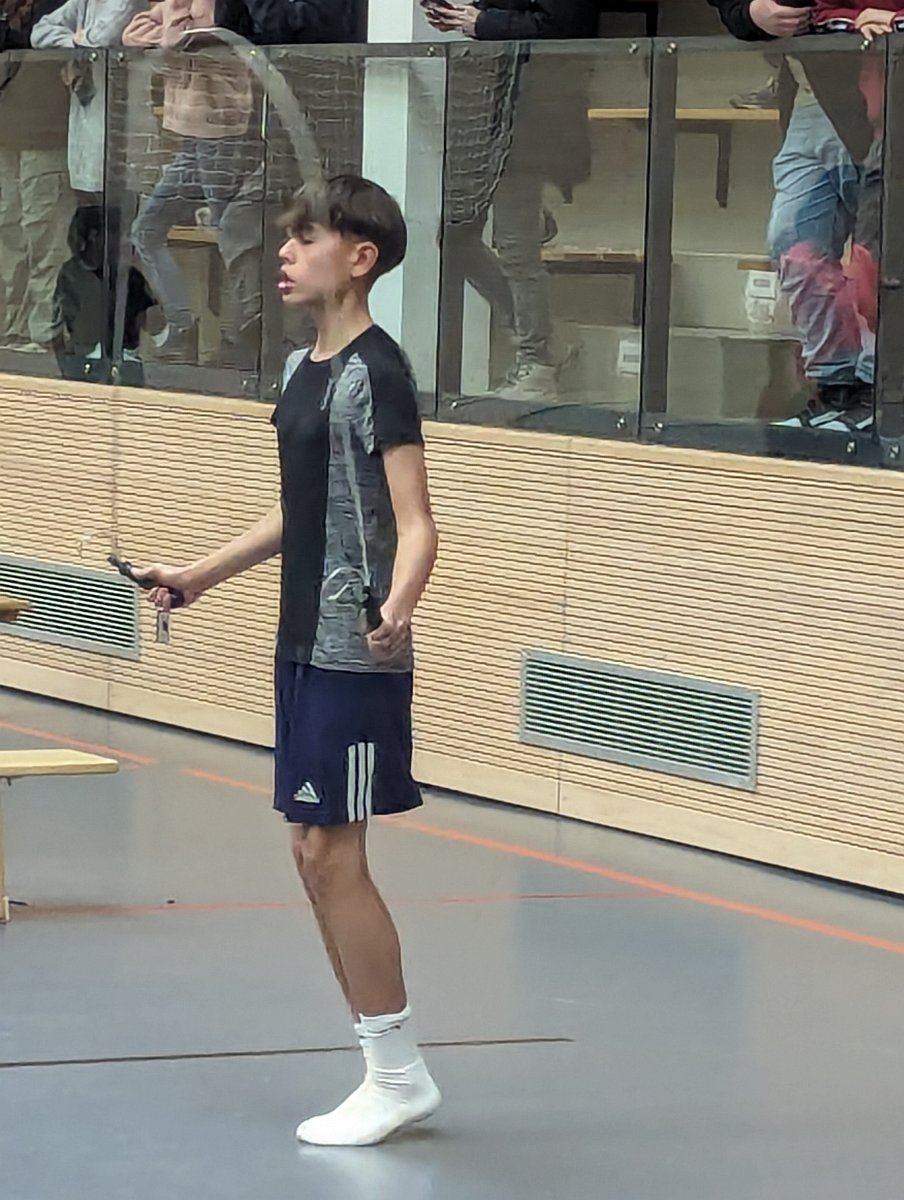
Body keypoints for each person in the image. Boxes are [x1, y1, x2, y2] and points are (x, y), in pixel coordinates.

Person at [135, 175, 442, 1147]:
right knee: (310, 853)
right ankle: (384, 1068)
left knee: (335, 855)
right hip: (301, 640)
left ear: (360, 257)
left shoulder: (377, 373)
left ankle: (398, 1077)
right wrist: (198, 576)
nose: (284, 251)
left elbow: (417, 523)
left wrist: (398, 607)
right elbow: (298, 510)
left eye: (305, 237)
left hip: (355, 650)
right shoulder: (304, 369)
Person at [710, 0, 880, 432]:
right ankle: (835, 388)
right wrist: (751, 12)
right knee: (794, 247)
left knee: (879, 256)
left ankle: (879, 392)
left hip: (880, 83)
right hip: (810, 94)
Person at [426, 0, 598, 401]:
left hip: (534, 114)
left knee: (515, 246)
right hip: (489, 110)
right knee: (455, 238)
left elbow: (566, 23)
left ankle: (537, 360)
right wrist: (463, 14)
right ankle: (541, 338)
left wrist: (483, 21)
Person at [123, 0, 262, 366]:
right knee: (146, 230)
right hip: (189, 136)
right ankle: (183, 328)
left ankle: (244, 339)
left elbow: (203, 33)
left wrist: (171, 31)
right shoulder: (175, 3)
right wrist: (170, 29)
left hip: (223, 131)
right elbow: (132, 34)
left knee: (231, 235)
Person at [0, 0, 72, 354]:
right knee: (8, 236)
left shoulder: (57, 5)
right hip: (7, 136)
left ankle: (44, 335)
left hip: (47, 135)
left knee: (44, 238)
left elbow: (44, 40)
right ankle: (10, 329)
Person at [31, 0, 144, 200]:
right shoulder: (83, 2)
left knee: (119, 197)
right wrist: (73, 40)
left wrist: (81, 38)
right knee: (89, 194)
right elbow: (38, 33)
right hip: (87, 111)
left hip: (123, 111)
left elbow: (105, 36)